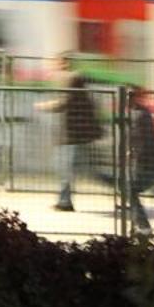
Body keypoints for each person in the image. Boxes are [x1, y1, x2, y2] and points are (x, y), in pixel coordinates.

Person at [40, 54, 102, 211]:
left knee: (68, 168)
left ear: (65, 64)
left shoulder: (71, 78)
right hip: (70, 134)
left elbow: (64, 102)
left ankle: (125, 190)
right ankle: (64, 200)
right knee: (66, 167)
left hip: (73, 134)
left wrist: (45, 106)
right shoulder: (71, 78)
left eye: (58, 63)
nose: (56, 67)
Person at [123, 87, 154, 234]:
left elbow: (142, 140)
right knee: (129, 189)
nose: (127, 99)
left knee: (130, 189)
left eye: (129, 96)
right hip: (143, 160)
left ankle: (143, 226)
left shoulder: (140, 115)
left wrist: (133, 154)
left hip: (145, 161)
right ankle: (138, 225)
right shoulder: (136, 112)